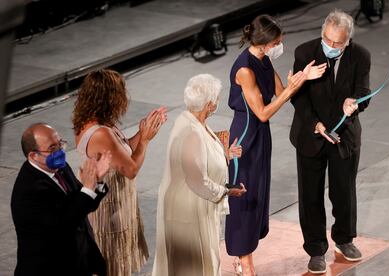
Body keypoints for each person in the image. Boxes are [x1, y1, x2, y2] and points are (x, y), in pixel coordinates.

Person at [224, 14, 327, 275]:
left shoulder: (264, 61)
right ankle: (244, 261)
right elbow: (263, 112)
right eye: (278, 41)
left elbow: (282, 91)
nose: (281, 44)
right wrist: (293, 89)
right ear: (266, 42)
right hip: (246, 135)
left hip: (262, 137)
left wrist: (303, 77)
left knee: (258, 195)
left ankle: (244, 254)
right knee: (243, 196)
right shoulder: (245, 70)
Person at [289, 9, 371, 274]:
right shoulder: (304, 52)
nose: (332, 47)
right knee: (310, 195)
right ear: (322, 33)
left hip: (343, 135)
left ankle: (343, 238)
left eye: (338, 43)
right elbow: (297, 96)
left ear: (348, 40)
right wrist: (316, 124)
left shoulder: (360, 56)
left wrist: (354, 104)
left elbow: (364, 93)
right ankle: (315, 249)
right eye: (328, 40)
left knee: (344, 191)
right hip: (311, 134)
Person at [72, 69, 167, 276]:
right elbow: (131, 169)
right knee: (111, 268)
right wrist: (145, 140)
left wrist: (142, 132)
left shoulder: (97, 123)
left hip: (114, 202)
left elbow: (122, 151)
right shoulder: (101, 132)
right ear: (111, 97)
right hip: (110, 209)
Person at [152, 74, 247, 276]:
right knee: (193, 267)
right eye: (217, 99)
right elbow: (198, 181)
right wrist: (227, 191)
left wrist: (226, 155)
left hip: (194, 206)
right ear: (210, 104)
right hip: (187, 213)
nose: (218, 102)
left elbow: (203, 159)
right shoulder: (192, 132)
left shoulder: (195, 122)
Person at [11, 123, 111, 276]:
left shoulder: (61, 167)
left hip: (78, 262)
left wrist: (96, 181)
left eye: (60, 144)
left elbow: (81, 203)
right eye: (52, 149)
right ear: (33, 155)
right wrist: (88, 188)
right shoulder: (29, 191)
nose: (59, 151)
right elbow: (63, 223)